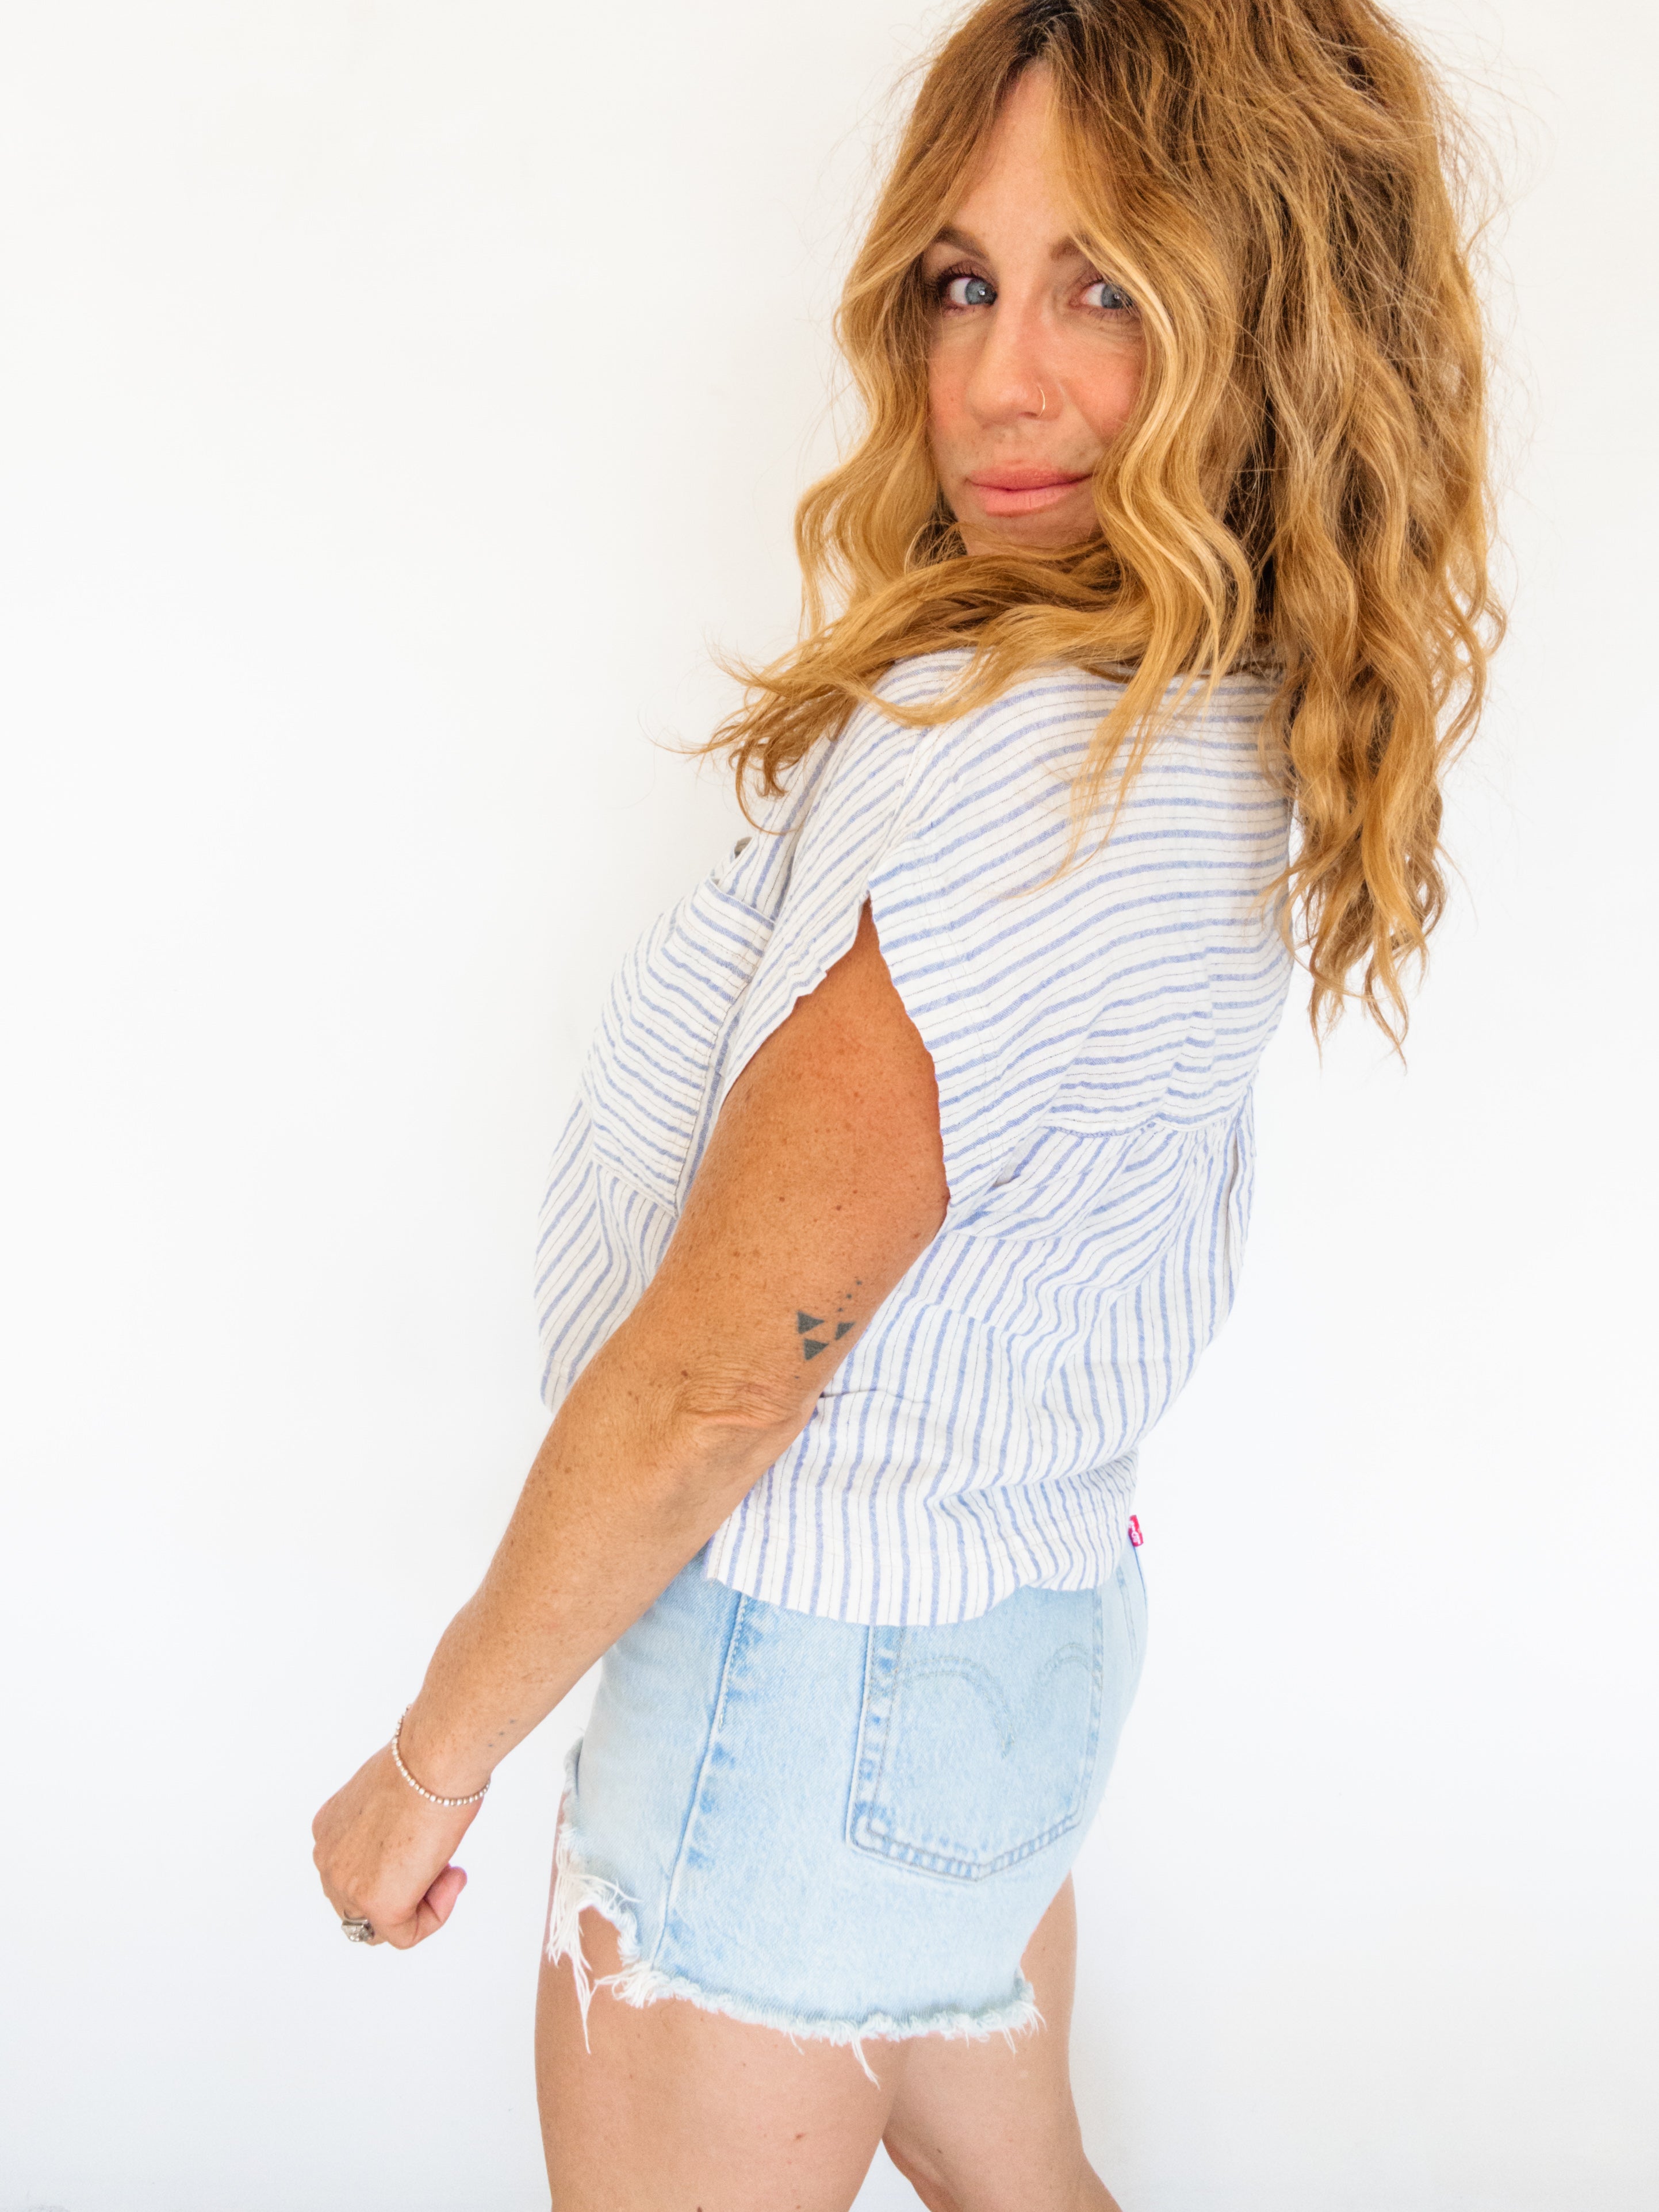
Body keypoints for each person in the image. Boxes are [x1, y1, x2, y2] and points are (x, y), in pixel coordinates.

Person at [313, 2, 1499, 2204]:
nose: (1000, 383)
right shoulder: (1219, 704)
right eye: (966, 280)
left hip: (799, 1693)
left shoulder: (1008, 764)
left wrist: (426, 1766)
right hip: (1011, 1646)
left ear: (1275, 323)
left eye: (1106, 290)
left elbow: (716, 1384)